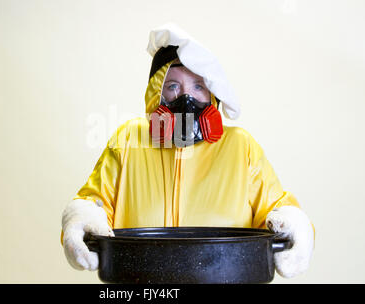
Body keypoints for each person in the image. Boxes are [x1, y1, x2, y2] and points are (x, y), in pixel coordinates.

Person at [61, 23, 314, 279]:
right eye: (172, 87)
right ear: (156, 95)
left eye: (198, 87)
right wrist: (82, 217)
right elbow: (95, 203)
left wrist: (294, 224)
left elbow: (275, 212)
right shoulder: (129, 140)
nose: (186, 98)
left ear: (212, 93)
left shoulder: (240, 148)